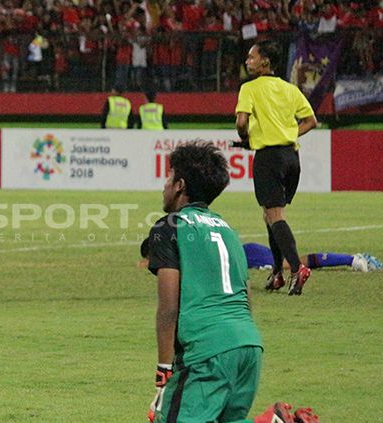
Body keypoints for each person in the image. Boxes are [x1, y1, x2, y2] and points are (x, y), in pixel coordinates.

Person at [146, 142, 317, 423]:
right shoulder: (228, 231)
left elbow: (168, 307)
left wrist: (165, 365)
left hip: (207, 350)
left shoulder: (169, 227)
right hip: (248, 346)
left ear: (179, 185)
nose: (163, 185)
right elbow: (246, 297)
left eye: (168, 177)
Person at [235, 39, 318, 296]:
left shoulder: (249, 88)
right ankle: (277, 273)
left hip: (269, 157)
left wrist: (246, 138)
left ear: (265, 61)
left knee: (274, 216)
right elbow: (311, 121)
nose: (248, 61)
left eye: (252, 57)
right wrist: (288, 134)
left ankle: (296, 268)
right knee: (270, 215)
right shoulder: (289, 89)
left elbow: (241, 122)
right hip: (291, 157)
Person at [139, 239, 382, 272]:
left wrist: (150, 265)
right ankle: (352, 259)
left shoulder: (180, 255)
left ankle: (353, 259)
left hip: (249, 256)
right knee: (295, 262)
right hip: (247, 251)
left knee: (291, 265)